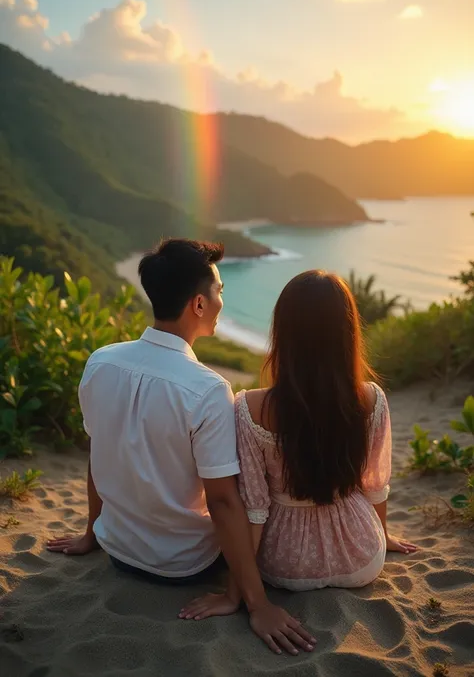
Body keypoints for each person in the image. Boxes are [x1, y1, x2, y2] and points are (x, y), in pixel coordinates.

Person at [47, 238, 315, 656]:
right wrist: (258, 604)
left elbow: (99, 454)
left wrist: (90, 535)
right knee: (256, 478)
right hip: (185, 567)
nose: (223, 299)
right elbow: (224, 503)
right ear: (199, 305)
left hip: (118, 550)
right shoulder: (208, 390)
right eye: (220, 291)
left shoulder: (100, 361)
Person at [181, 270, 416, 620]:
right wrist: (379, 536)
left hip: (282, 567)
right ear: (348, 333)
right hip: (361, 559)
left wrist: (237, 594)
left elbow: (254, 510)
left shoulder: (251, 408)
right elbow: (374, 485)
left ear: (284, 334)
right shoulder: (372, 399)